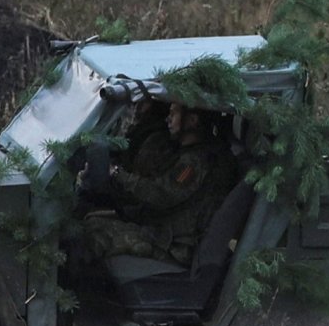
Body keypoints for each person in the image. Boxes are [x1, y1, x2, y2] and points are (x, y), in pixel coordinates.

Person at [82, 101, 235, 265]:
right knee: (92, 222)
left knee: (93, 234)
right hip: (163, 232)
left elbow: (161, 194)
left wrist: (117, 174)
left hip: (174, 246)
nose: (167, 119)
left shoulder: (197, 161)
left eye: (174, 114)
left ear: (192, 120)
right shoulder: (189, 153)